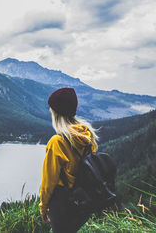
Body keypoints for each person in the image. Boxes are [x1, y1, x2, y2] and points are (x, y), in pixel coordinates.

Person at [39, 87, 98, 233]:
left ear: (56, 112)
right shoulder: (87, 137)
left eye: (51, 109)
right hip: (82, 200)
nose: (50, 111)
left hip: (62, 203)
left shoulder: (57, 142)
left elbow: (49, 181)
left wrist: (43, 207)